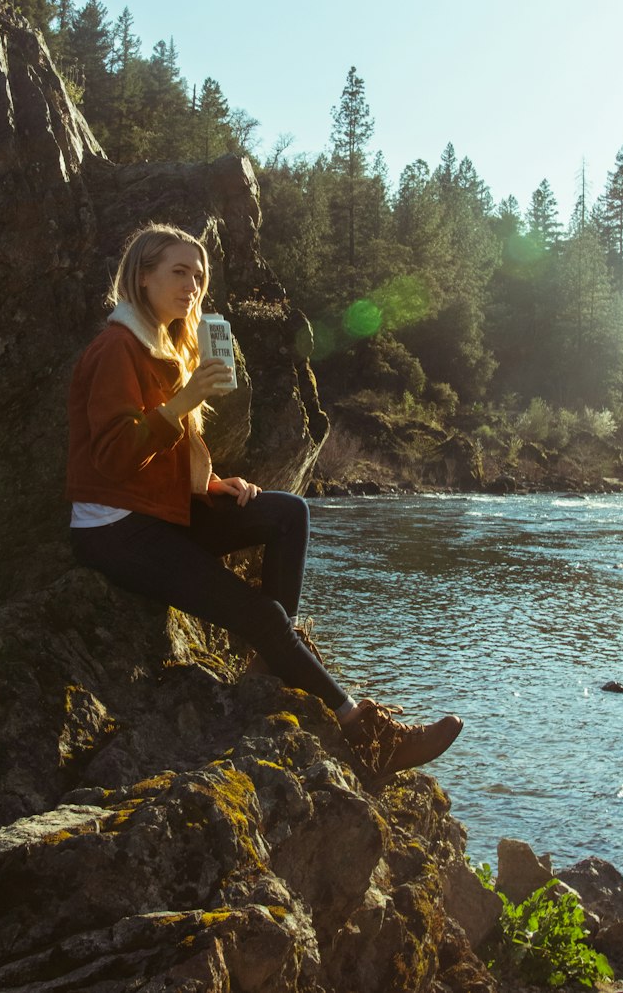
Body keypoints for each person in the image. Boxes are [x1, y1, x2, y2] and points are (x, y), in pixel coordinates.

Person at [66, 222, 462, 779]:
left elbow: (161, 454)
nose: (191, 287)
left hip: (158, 510)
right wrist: (184, 402)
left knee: (287, 513)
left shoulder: (162, 344)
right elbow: (112, 457)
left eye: (198, 277)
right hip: (115, 529)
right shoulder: (116, 347)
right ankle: (370, 737)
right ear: (143, 276)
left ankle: (271, 667)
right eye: (178, 272)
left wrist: (209, 484)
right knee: (260, 613)